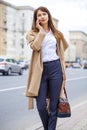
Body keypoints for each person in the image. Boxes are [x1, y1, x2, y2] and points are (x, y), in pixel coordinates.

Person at [25, 6, 68, 130]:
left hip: (55, 68)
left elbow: (63, 48)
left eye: (44, 14)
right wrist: (41, 32)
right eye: (39, 15)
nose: (42, 16)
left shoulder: (57, 33)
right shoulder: (32, 33)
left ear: (48, 16)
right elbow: (35, 47)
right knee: (41, 106)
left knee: (54, 106)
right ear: (36, 19)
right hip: (40, 70)